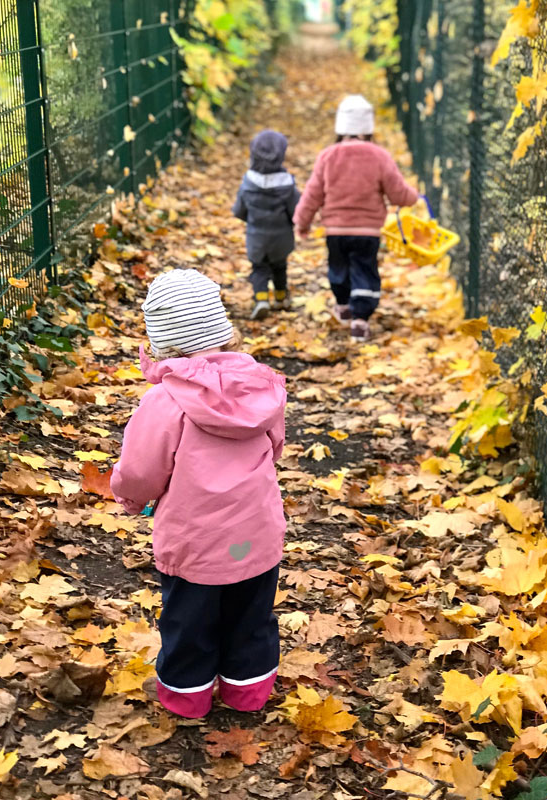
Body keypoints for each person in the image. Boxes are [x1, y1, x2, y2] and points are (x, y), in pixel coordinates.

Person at [111, 268, 287, 719]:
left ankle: (188, 698)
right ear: (221, 330)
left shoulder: (166, 403)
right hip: (256, 535)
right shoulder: (259, 386)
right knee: (252, 618)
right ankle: (247, 693)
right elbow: (275, 446)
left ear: (162, 342)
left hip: (196, 542)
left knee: (189, 622)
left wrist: (131, 500)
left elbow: (140, 469)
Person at [293, 94, 419, 342]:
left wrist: (302, 221)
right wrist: (412, 197)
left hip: (335, 230)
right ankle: (360, 318)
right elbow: (397, 192)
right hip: (367, 231)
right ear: (368, 129)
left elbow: (312, 193)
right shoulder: (379, 156)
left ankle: (343, 305)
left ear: (340, 127)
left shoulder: (327, 156)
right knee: (364, 269)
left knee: (338, 269)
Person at [232, 129, 301, 320]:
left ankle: (261, 298)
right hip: (281, 238)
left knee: (259, 268)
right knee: (280, 267)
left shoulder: (248, 182)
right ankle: (281, 297)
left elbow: (239, 210)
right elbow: (296, 210)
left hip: (257, 237)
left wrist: (251, 220)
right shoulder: (287, 184)